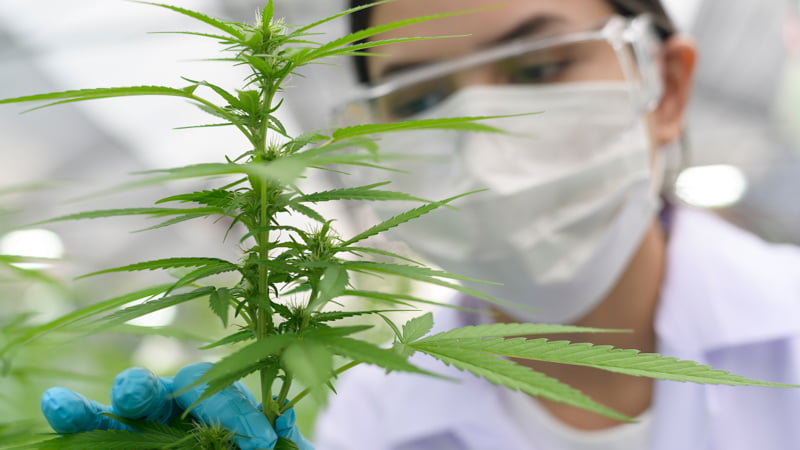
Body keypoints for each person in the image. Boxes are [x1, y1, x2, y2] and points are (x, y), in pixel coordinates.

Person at [40, 0, 800, 449]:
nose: (485, 135)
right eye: (421, 102)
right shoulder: (376, 412)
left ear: (665, 88)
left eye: (537, 69)